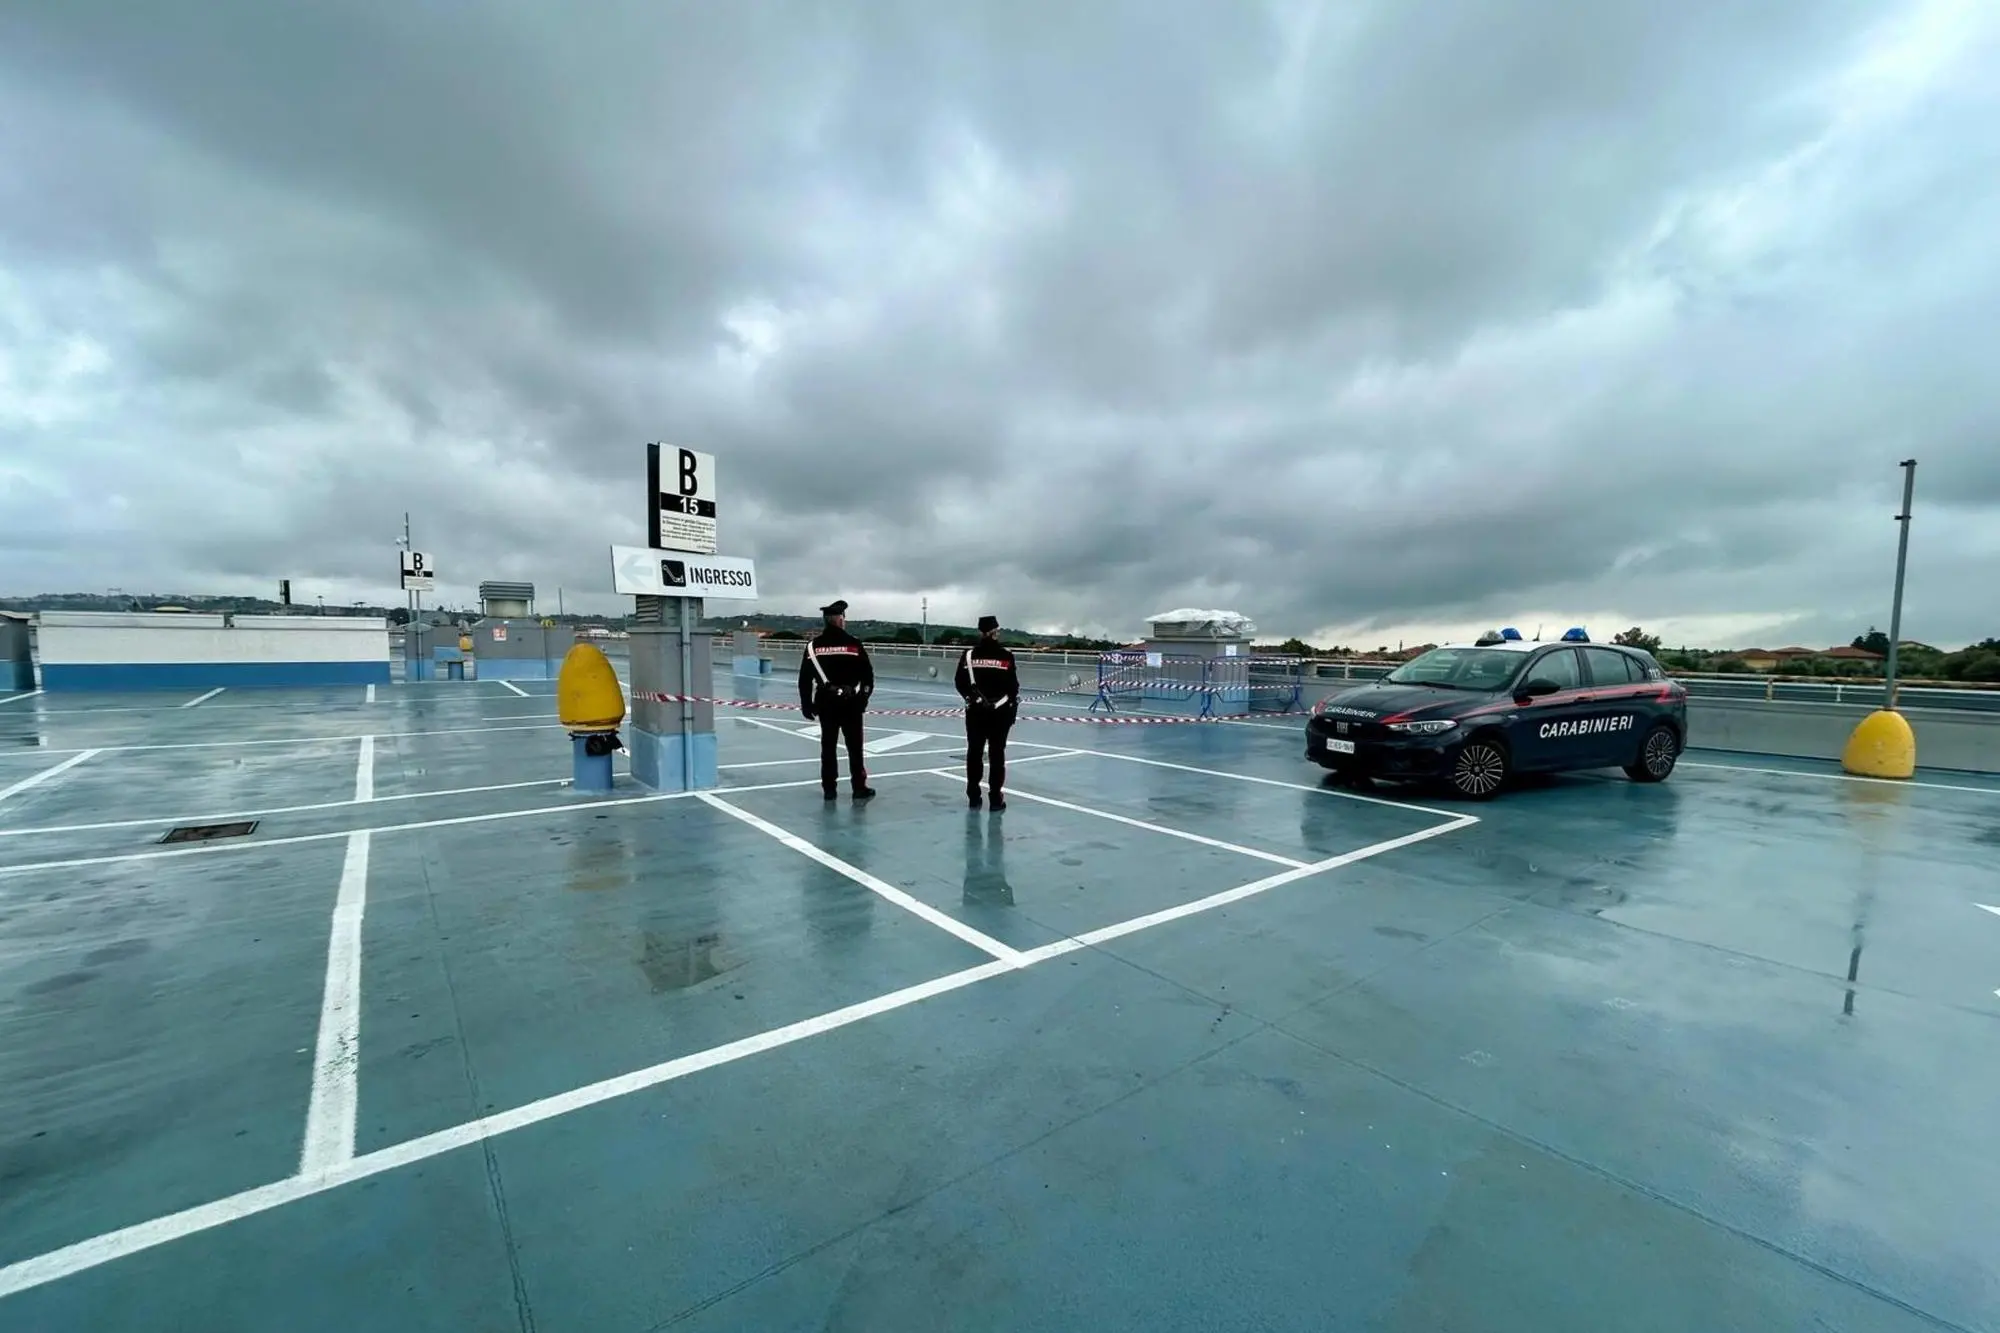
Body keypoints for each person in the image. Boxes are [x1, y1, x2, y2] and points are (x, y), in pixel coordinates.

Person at [799, 599, 876, 800]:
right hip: (851, 705)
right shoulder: (854, 644)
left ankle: (829, 789)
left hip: (826, 703)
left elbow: (804, 680)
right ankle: (859, 787)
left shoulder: (812, 648)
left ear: (825, 621)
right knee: (855, 749)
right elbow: (868, 676)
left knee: (828, 748)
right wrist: (863, 698)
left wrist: (807, 704)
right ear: (841, 620)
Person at [954, 615, 1019, 809]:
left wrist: (972, 698)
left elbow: (960, 682)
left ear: (980, 632)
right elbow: (1013, 687)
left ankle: (974, 795)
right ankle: (995, 798)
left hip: (975, 712)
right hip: (1000, 714)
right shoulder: (1006, 656)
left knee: (974, 752)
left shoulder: (968, 656)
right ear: (994, 632)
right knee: (997, 755)